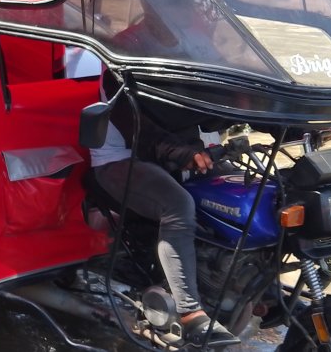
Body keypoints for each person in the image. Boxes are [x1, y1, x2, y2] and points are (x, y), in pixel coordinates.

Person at [90, 65, 239, 349]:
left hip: (178, 152)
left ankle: (241, 280)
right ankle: (189, 312)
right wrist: (180, 151)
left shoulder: (192, 54)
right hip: (120, 160)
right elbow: (137, 127)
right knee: (176, 205)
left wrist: (293, 121)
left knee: (247, 194)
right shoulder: (120, 66)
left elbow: (228, 103)